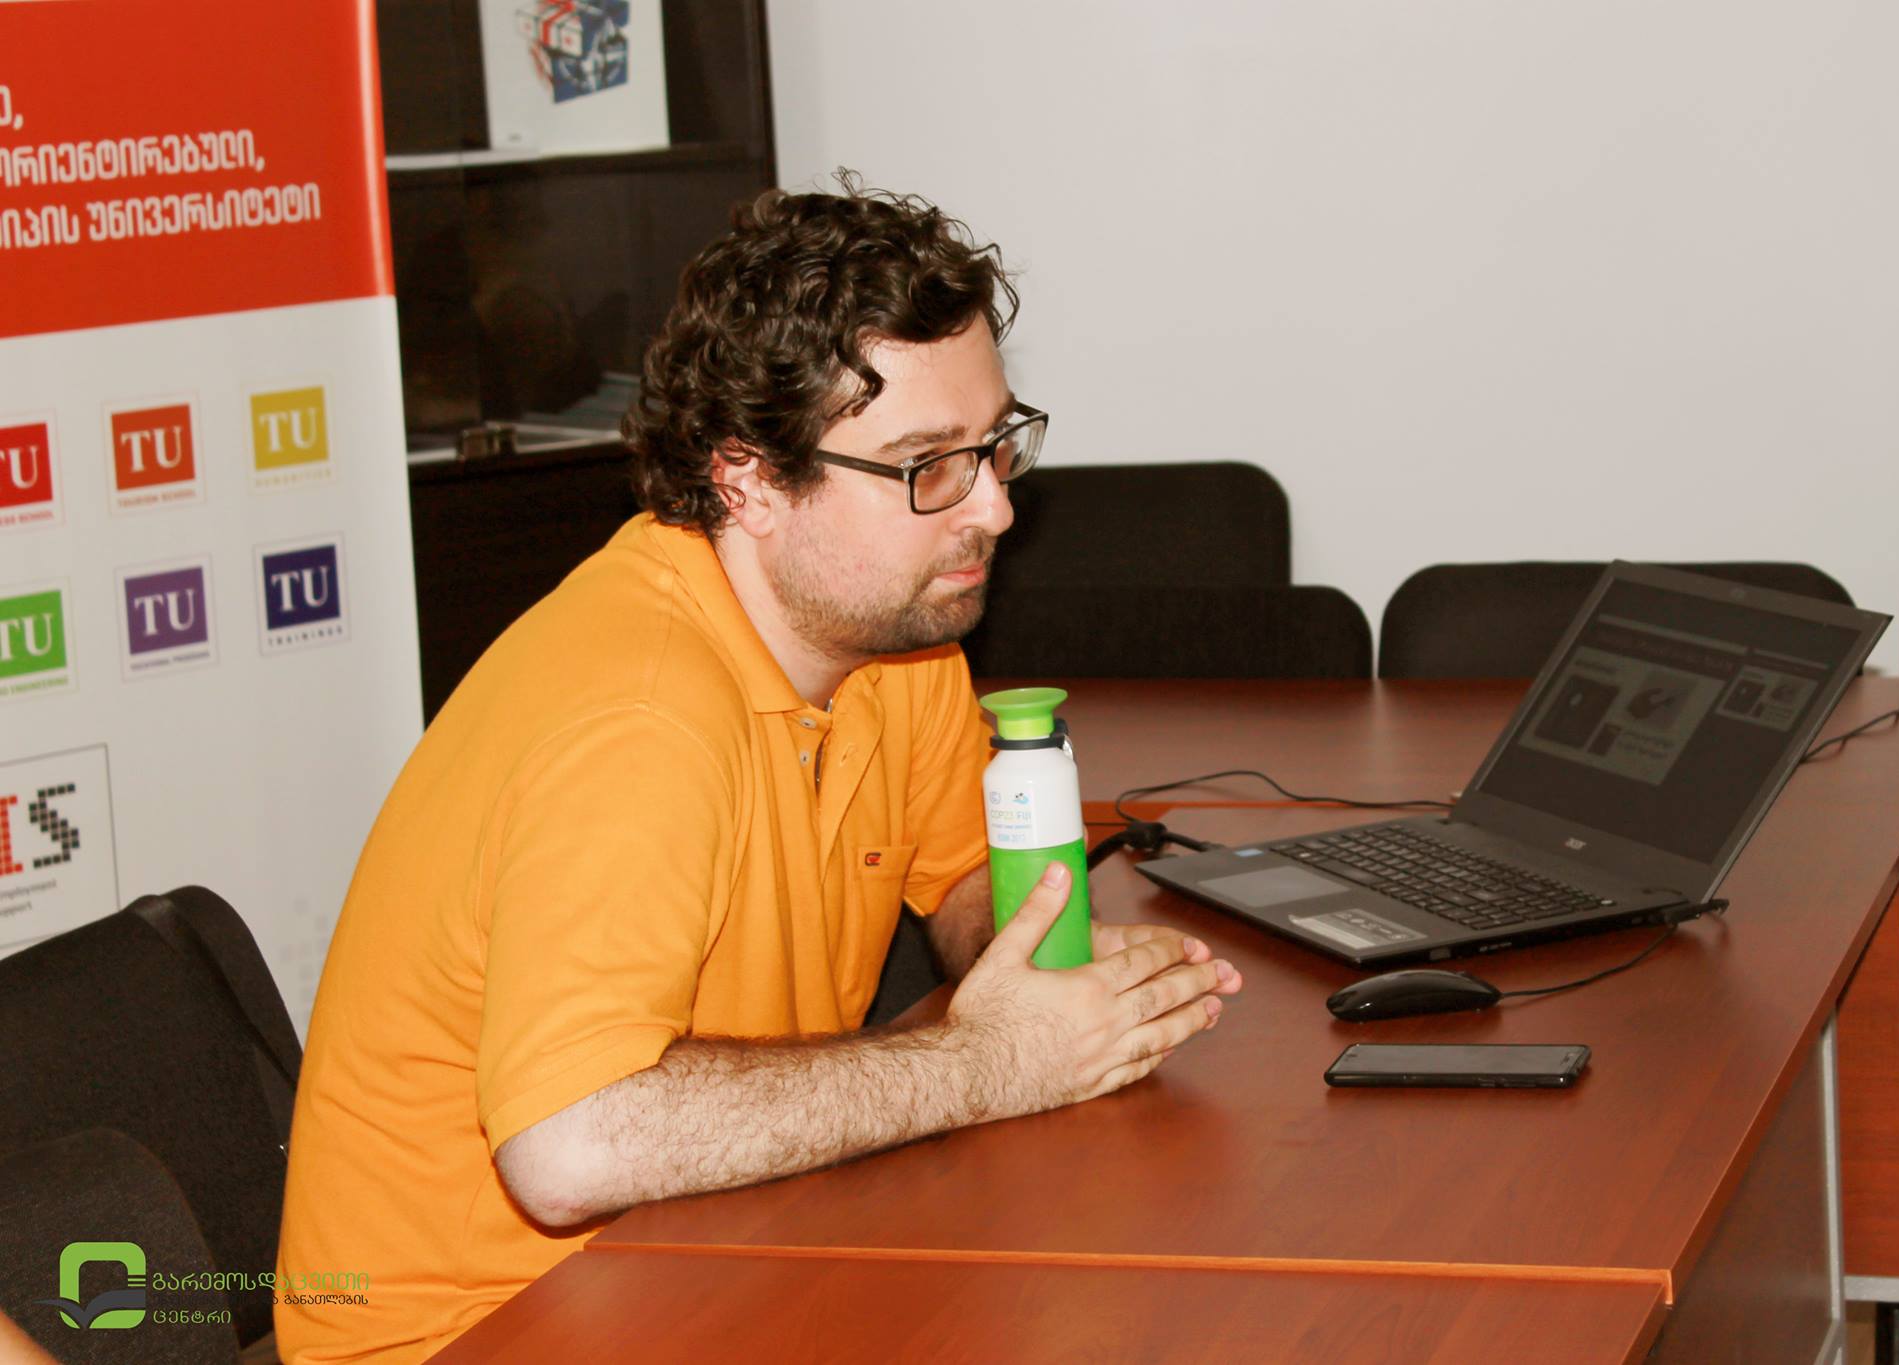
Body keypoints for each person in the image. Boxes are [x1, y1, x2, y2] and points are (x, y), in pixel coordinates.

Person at [274, 179, 1242, 1363]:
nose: (990, 507)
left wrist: (1054, 972)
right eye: (926, 465)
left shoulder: (892, 633)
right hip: (478, 1332)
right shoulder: (638, 719)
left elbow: (963, 890)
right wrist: (990, 1061)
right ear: (748, 481)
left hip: (707, 1257)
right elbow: (568, 1148)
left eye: (995, 444)